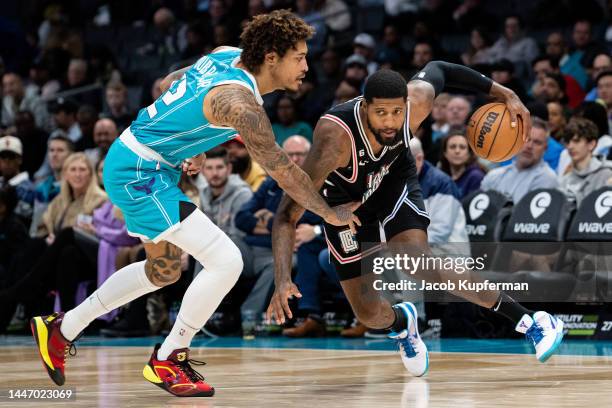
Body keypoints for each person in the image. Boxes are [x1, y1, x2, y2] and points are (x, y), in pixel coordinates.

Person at [30, 10, 359, 398]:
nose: (307, 65)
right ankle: (169, 355)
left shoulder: (225, 54)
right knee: (227, 260)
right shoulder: (241, 106)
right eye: (299, 56)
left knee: (164, 270)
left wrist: (194, 142)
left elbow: (170, 83)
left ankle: (62, 329)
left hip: (140, 159)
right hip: (140, 172)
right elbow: (285, 172)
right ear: (271, 57)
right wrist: (330, 213)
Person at [269, 66, 564, 379]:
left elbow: (440, 68)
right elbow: (287, 215)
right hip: (345, 208)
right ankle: (402, 324)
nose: (390, 122)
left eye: (397, 112)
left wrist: (505, 93)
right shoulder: (333, 140)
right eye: (381, 113)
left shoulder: (417, 102)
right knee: (368, 313)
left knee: (417, 262)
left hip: (393, 180)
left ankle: (532, 321)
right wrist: (283, 278)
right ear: (365, 107)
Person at [481, 118, 559, 204]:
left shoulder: (548, 179)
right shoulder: (494, 175)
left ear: (545, 149)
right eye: (526, 139)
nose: (529, 146)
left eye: (537, 142)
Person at [560, 118, 612, 205]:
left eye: (576, 141)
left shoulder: (608, 173)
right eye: (568, 142)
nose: (570, 146)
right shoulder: (565, 179)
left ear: (591, 144)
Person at [439, 131, 485, 199]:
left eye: (462, 147)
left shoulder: (476, 177)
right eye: (452, 147)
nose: (457, 151)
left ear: (469, 154)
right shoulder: (440, 177)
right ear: (445, 153)